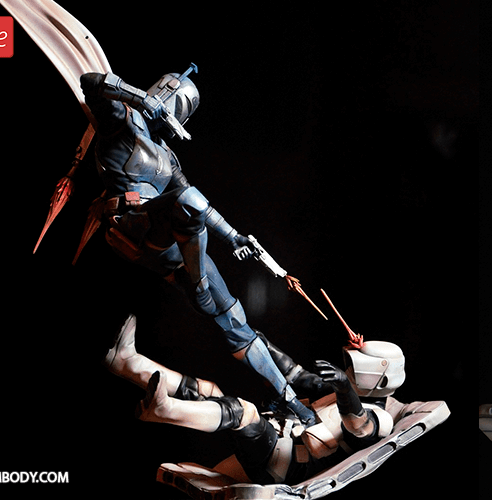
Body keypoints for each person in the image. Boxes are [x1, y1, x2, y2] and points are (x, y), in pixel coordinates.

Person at [81, 66, 318, 424]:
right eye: (178, 107)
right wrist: (140, 97)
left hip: (166, 244)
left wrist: (233, 236)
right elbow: (90, 82)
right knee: (188, 201)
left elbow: (195, 203)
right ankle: (200, 285)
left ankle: (290, 400)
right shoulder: (121, 120)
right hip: (132, 223)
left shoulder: (167, 156)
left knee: (235, 320)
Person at [105, 313, 433, 486]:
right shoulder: (336, 388)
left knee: (243, 412)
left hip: (285, 465)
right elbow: (293, 373)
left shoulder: (381, 418)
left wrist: (346, 390)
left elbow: (358, 425)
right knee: (210, 391)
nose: (347, 369)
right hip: (276, 443)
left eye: (353, 367)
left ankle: (164, 409)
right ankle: (129, 364)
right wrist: (256, 341)